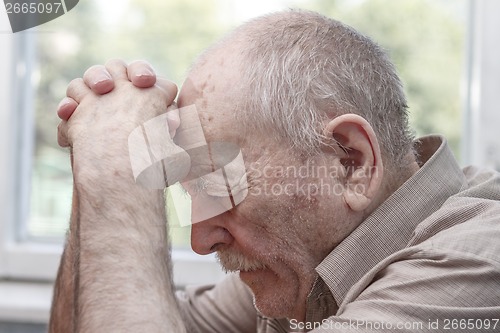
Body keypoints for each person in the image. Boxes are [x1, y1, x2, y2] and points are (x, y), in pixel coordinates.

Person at [49, 9, 500, 333]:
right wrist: (94, 162)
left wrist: (116, 170)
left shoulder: (475, 264)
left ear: (350, 162)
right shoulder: (301, 262)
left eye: (220, 182)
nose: (200, 241)